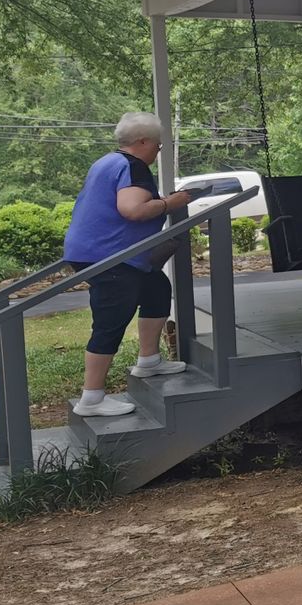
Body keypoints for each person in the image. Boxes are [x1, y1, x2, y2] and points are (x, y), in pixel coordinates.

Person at [63, 113, 193, 417]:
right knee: (111, 319)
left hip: (96, 251)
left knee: (156, 289)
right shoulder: (132, 166)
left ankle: (149, 361)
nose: (156, 152)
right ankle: (91, 398)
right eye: (157, 147)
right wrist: (170, 204)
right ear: (143, 141)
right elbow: (132, 210)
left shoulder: (106, 161)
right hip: (109, 257)